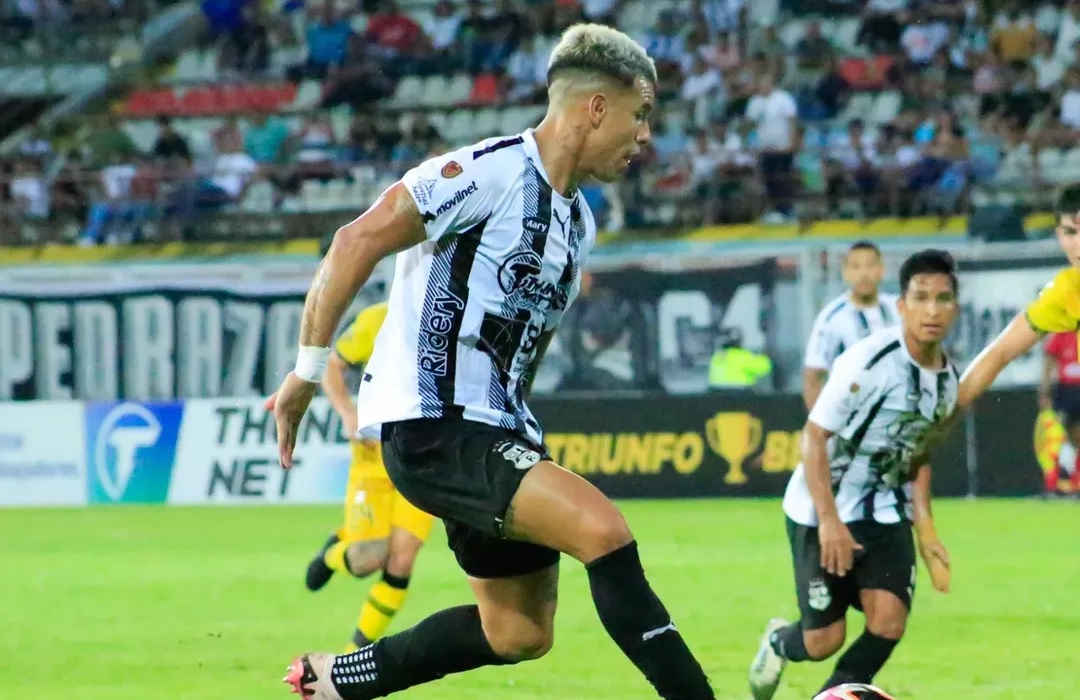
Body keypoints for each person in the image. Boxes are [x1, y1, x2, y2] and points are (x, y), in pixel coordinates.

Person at [269, 22, 717, 700]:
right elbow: (355, 241)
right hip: (432, 426)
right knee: (603, 532)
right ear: (597, 107)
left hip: (494, 430)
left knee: (519, 632)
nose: (646, 134)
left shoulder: (578, 223)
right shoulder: (486, 172)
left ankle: (341, 679)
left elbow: (527, 345)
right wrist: (307, 372)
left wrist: (519, 434)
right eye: (641, 113)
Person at [748, 250, 958, 700]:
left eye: (942, 299)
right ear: (902, 306)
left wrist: (926, 529)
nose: (932, 310)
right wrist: (829, 521)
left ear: (955, 308)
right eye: (921, 298)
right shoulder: (867, 361)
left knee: (889, 621)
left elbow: (919, 452)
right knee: (823, 640)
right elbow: (813, 437)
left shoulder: (947, 381)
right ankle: (779, 642)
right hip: (820, 507)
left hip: (883, 507)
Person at [304, 300, 435, 651]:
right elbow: (333, 366)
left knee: (402, 560)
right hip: (374, 456)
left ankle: (354, 654)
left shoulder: (456, 320)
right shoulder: (379, 318)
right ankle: (334, 552)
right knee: (367, 560)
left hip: (424, 460)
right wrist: (348, 413)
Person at [958, 183, 1080, 410]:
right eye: (1070, 232)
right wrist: (945, 412)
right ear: (1059, 235)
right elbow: (1000, 352)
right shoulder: (1067, 290)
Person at [803, 241, 901, 410]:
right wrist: (821, 423)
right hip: (852, 415)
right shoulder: (832, 318)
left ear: (882, 270)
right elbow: (813, 377)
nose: (863, 274)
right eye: (856, 267)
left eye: (870, 266)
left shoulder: (900, 309)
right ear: (846, 273)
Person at [1037, 330, 1080, 496]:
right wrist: (1044, 391)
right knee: (1059, 437)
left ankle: (1075, 482)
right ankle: (1053, 483)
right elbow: (1049, 361)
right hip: (1066, 390)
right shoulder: (1061, 333)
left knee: (1076, 436)